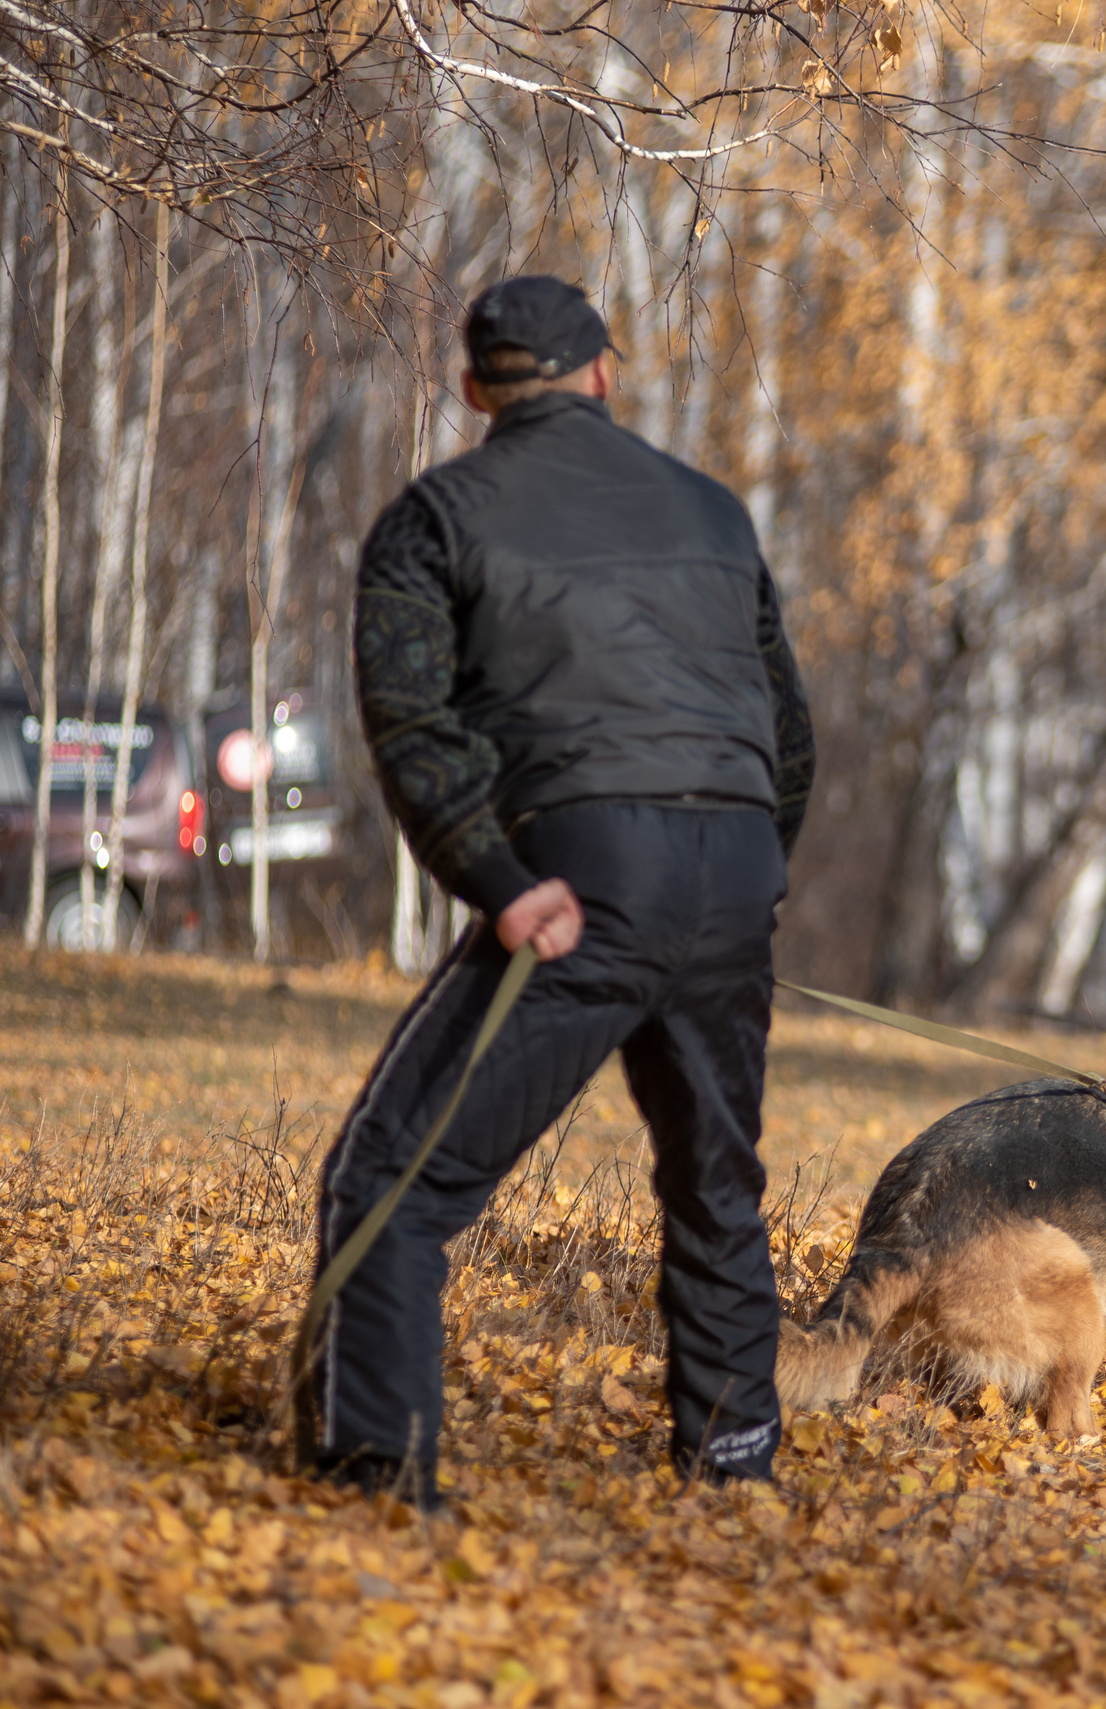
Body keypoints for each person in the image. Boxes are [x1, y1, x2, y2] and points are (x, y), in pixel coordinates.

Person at [298, 275, 816, 1503]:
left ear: (475, 391)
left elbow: (411, 724)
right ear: (604, 373)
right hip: (733, 863)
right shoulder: (713, 512)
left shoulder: (437, 514)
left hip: (581, 874)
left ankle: (376, 1473)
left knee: (393, 1178)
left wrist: (500, 879)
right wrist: (747, 877)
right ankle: (733, 1467)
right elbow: (786, 730)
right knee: (716, 1180)